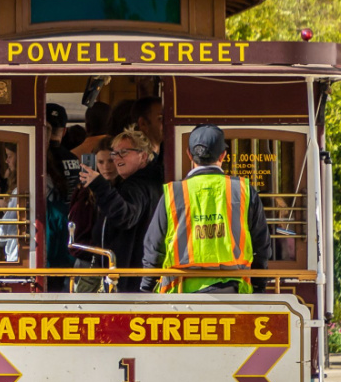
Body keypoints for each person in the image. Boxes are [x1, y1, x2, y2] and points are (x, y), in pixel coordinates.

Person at [142, 124, 270, 292]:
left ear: (189, 154)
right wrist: (259, 286)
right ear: (223, 155)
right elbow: (261, 246)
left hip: (180, 293)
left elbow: (154, 249)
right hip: (234, 292)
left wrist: (147, 287)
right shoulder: (244, 191)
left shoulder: (173, 194)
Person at [82, 128, 163, 292]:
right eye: (115, 153)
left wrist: (100, 186)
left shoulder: (137, 186)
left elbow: (125, 216)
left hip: (130, 279)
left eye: (124, 152)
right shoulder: (141, 182)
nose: (117, 158)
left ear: (143, 156)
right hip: (133, 276)